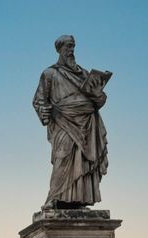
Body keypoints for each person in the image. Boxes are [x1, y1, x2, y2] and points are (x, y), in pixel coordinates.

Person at [32, 35, 111, 209]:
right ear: (59, 49)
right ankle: (54, 197)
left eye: (73, 46)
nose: (71, 50)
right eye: (68, 46)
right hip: (63, 120)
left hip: (87, 123)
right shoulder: (50, 73)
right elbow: (39, 100)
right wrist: (45, 112)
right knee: (63, 157)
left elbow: (99, 101)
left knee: (81, 161)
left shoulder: (83, 74)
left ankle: (79, 199)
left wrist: (98, 92)